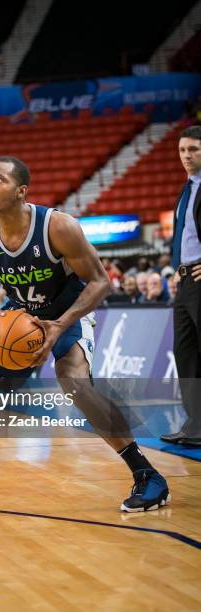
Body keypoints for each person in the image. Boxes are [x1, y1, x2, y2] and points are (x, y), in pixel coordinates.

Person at [0, 156, 170, 512]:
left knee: (75, 383)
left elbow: (100, 283)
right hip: (20, 320)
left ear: (21, 191)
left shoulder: (58, 227)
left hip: (70, 314)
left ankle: (147, 474)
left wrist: (60, 325)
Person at [161, 125, 201, 447]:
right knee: (185, 352)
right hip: (186, 280)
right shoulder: (185, 190)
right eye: (183, 150)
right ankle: (196, 424)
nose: (187, 156)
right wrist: (177, 268)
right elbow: (183, 237)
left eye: (194, 150)